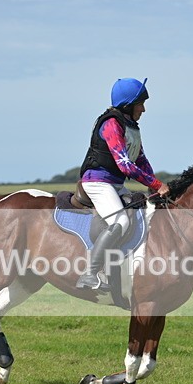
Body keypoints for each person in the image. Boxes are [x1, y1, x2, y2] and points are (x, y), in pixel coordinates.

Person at [76, 77, 170, 291]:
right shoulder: (111, 125)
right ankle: (89, 274)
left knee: (140, 216)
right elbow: (126, 165)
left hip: (114, 184)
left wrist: (155, 186)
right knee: (121, 222)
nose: (144, 109)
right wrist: (156, 184)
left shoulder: (131, 127)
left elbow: (142, 161)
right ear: (128, 105)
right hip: (98, 182)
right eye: (141, 104)